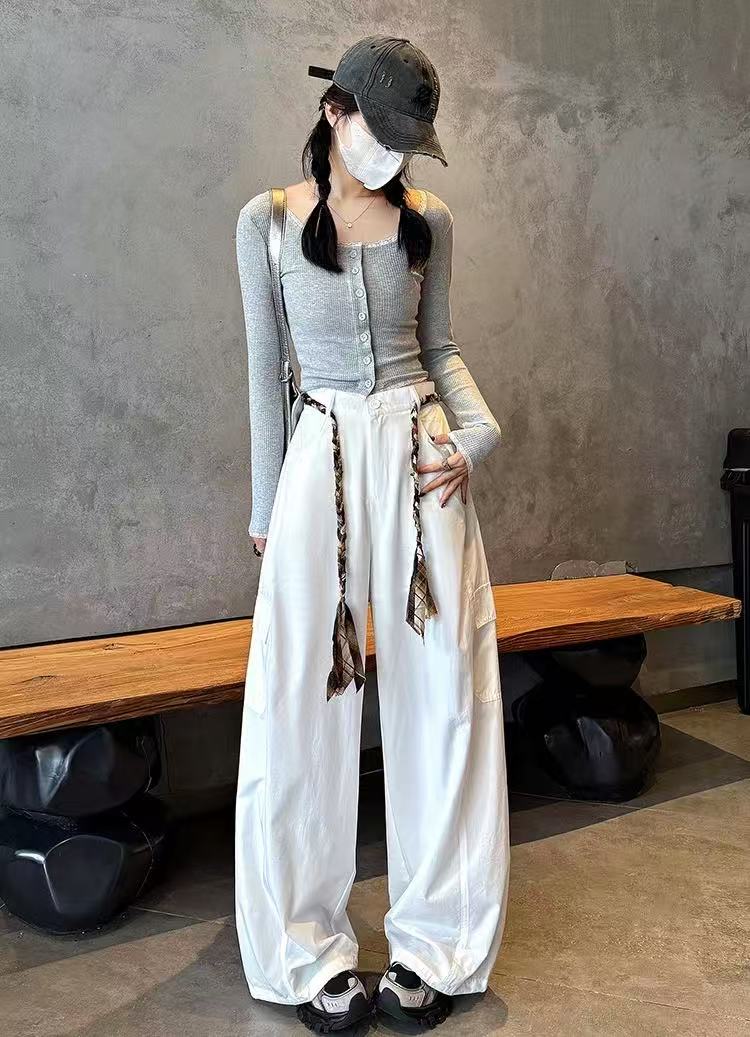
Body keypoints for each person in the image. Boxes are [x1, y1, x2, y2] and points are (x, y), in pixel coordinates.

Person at [234, 35, 509, 1034]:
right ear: (336, 111)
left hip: (422, 458)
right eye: (382, 133)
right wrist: (266, 512)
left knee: (446, 699)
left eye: (408, 142)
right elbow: (266, 375)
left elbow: (440, 348)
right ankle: (306, 949)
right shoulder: (266, 222)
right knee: (301, 705)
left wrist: (476, 437)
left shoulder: (429, 220)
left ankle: (438, 942)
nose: (393, 157)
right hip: (320, 464)